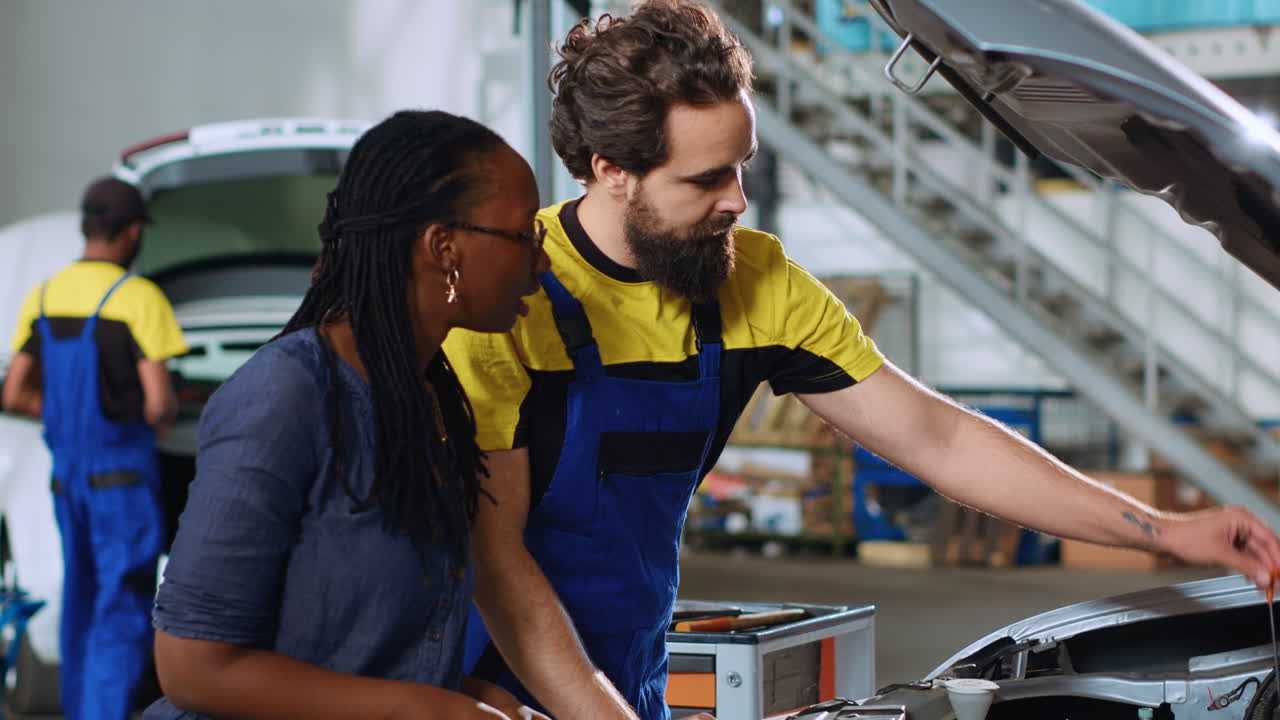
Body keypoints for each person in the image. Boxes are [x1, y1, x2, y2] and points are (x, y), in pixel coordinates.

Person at [441, 2, 1280, 720]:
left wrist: (1164, 533)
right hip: (478, 683)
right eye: (708, 179)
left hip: (625, 676)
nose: (737, 198)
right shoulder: (508, 300)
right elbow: (496, 560)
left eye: (744, 167)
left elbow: (939, 440)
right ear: (612, 171)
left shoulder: (753, 280)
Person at [142, 110, 551, 720]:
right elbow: (191, 667)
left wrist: (481, 702)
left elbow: (359, 655)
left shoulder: (429, 399)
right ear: (444, 248)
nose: (540, 263)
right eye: (525, 237)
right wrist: (428, 710)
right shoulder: (285, 396)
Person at [2, 176, 185, 720]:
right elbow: (158, 406)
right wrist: (149, 417)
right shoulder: (140, 299)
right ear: (131, 232)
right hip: (122, 485)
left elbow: (14, 393)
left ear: (87, 226)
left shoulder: (44, 295)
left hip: (67, 483)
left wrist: (64, 414)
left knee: (79, 601)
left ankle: (81, 709)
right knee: (121, 606)